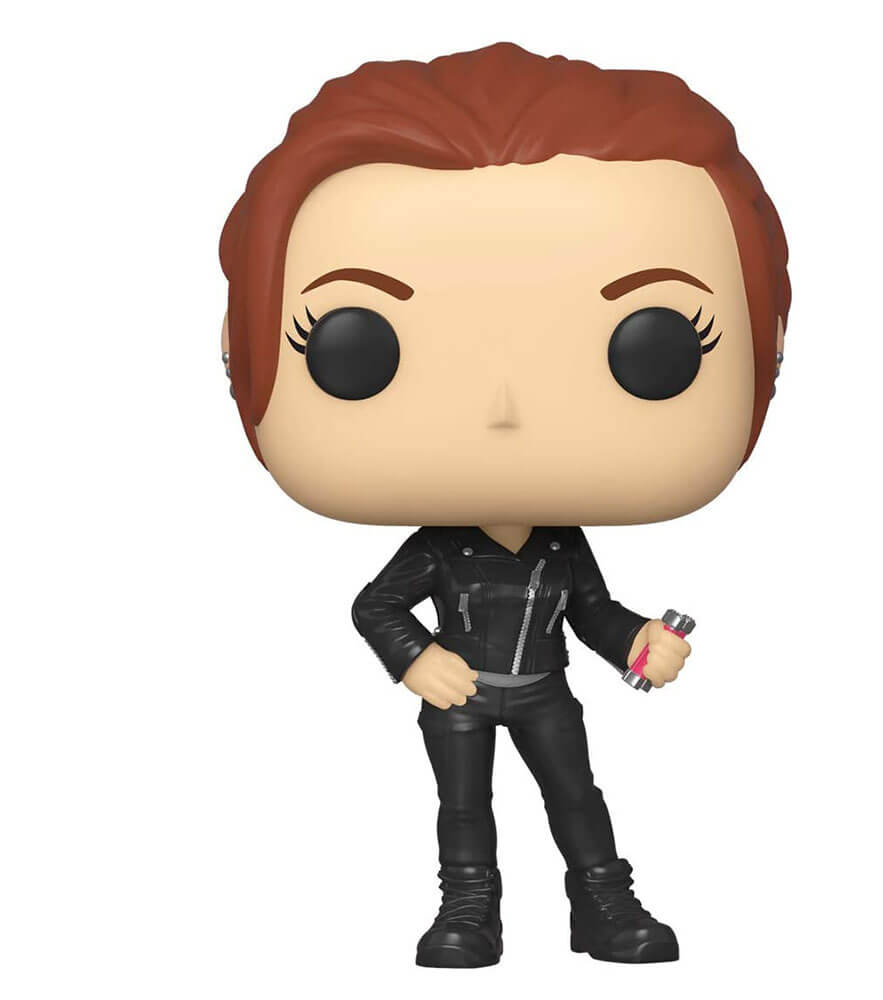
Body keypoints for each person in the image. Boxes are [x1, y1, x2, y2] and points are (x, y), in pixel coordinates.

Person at [219, 42, 790, 967]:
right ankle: (469, 913)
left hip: (546, 692)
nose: (504, 413)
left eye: (656, 349)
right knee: (464, 809)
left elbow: (592, 612)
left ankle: (605, 905)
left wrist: (640, 642)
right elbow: (374, 604)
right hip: (463, 696)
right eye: (355, 349)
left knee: (578, 797)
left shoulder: (559, 545)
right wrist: (416, 659)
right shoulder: (440, 547)